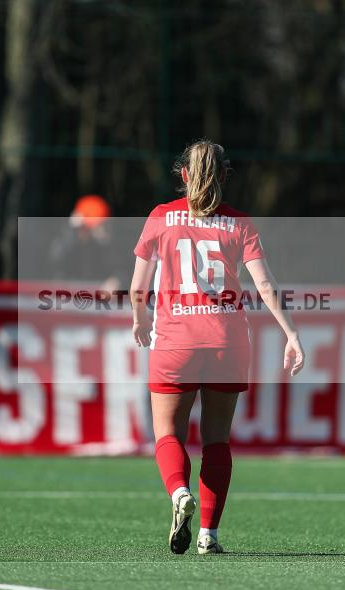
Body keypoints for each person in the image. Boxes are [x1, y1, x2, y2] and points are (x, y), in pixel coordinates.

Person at [129, 140, 304, 555]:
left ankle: (178, 494)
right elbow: (264, 284)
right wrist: (291, 333)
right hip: (227, 342)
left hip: (176, 341)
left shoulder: (160, 217)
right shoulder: (240, 224)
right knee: (216, 441)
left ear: (184, 175)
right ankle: (209, 534)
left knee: (168, 433)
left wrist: (140, 319)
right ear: (224, 175)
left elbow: (138, 288)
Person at [48, 194, 121, 291]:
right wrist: (72, 230)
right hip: (67, 295)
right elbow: (54, 261)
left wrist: (116, 281)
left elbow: (119, 271)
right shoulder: (67, 240)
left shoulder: (103, 244)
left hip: (97, 296)